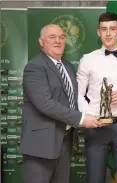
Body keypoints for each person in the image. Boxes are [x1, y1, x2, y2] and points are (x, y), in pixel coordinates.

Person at [19, 24, 102, 183]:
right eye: (52, 37)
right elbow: (45, 103)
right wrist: (81, 118)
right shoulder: (35, 67)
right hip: (41, 145)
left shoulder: (68, 66)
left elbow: (75, 98)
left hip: (65, 140)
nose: (58, 41)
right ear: (41, 42)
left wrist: (97, 113)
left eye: (61, 37)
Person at [77, 12, 117, 183]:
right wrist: (88, 116)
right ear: (98, 32)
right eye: (104, 29)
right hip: (95, 127)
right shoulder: (87, 60)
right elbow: (79, 95)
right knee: (95, 178)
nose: (108, 33)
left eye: (112, 29)